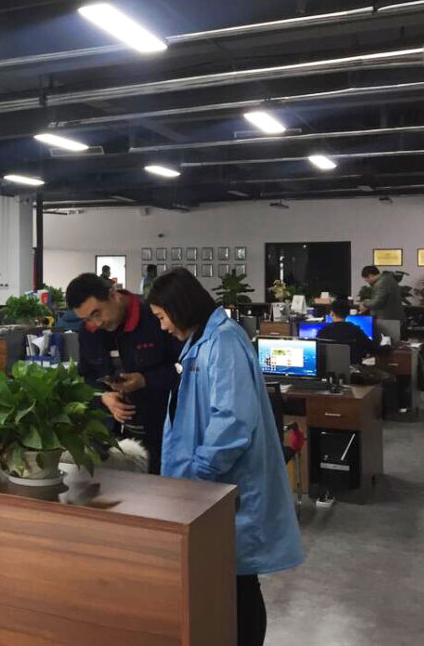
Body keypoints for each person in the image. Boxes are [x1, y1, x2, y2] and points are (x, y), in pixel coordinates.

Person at [145, 268, 305, 646]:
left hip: (226, 485)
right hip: (206, 487)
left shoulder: (224, 341)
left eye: (163, 317)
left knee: (240, 581)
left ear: (180, 307)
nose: (163, 327)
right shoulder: (201, 339)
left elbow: (232, 421)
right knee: (224, 579)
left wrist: (200, 474)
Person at [66, 273, 182, 474]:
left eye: (97, 313)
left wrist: (145, 380)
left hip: (165, 432)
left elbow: (184, 369)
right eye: (87, 319)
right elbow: (86, 378)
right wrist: (103, 397)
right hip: (114, 437)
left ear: (114, 295)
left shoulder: (155, 318)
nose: (96, 323)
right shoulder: (88, 332)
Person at [319, 298, 375, 365]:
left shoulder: (323, 332)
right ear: (348, 314)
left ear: (331, 313)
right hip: (352, 368)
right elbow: (372, 348)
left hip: (329, 369)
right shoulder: (356, 331)